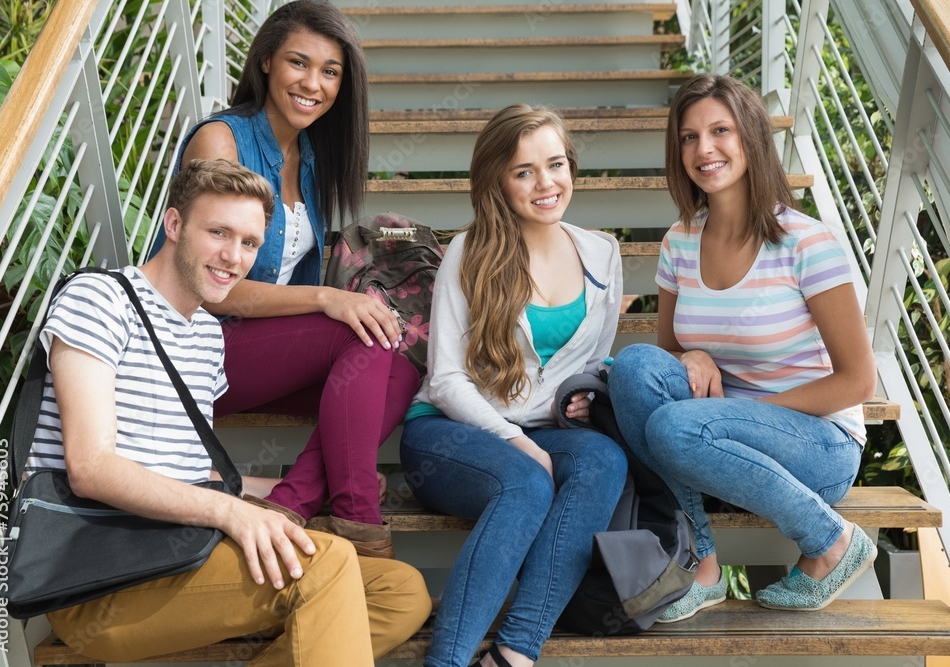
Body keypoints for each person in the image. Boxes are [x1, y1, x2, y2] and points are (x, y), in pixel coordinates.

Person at [26, 159, 430, 664]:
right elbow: (91, 468)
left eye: (249, 243)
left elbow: (185, 468)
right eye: (218, 232)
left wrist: (257, 492)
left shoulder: (204, 335)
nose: (233, 257)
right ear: (174, 225)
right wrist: (231, 511)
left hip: (181, 550)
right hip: (99, 580)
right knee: (329, 562)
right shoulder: (100, 299)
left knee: (399, 592)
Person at [148, 0, 418, 557]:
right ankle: (358, 517)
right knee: (356, 332)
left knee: (397, 360)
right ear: (266, 60)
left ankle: (291, 502)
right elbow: (210, 286)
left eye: (330, 72)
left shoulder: (314, 159)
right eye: (299, 63)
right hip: (187, 344)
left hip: (245, 350)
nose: (313, 84)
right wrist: (329, 298)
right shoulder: (221, 141)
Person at [608, 73, 878, 622]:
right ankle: (700, 564)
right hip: (711, 444)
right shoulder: (679, 242)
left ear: (750, 137)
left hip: (817, 446)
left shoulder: (807, 241)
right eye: (688, 137)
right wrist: (693, 357)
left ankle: (831, 541)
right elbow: (663, 367)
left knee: (676, 426)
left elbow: (857, 382)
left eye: (720, 131)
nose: (703, 149)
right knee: (633, 366)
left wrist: (735, 412)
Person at [400, 104, 628, 667]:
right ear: (497, 182)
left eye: (555, 165)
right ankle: (447, 661)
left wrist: (585, 392)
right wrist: (515, 440)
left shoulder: (602, 250)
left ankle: (513, 653)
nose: (546, 183)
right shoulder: (468, 252)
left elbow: (594, 357)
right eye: (524, 171)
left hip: (545, 431)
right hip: (449, 432)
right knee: (526, 483)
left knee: (603, 461)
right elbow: (447, 379)